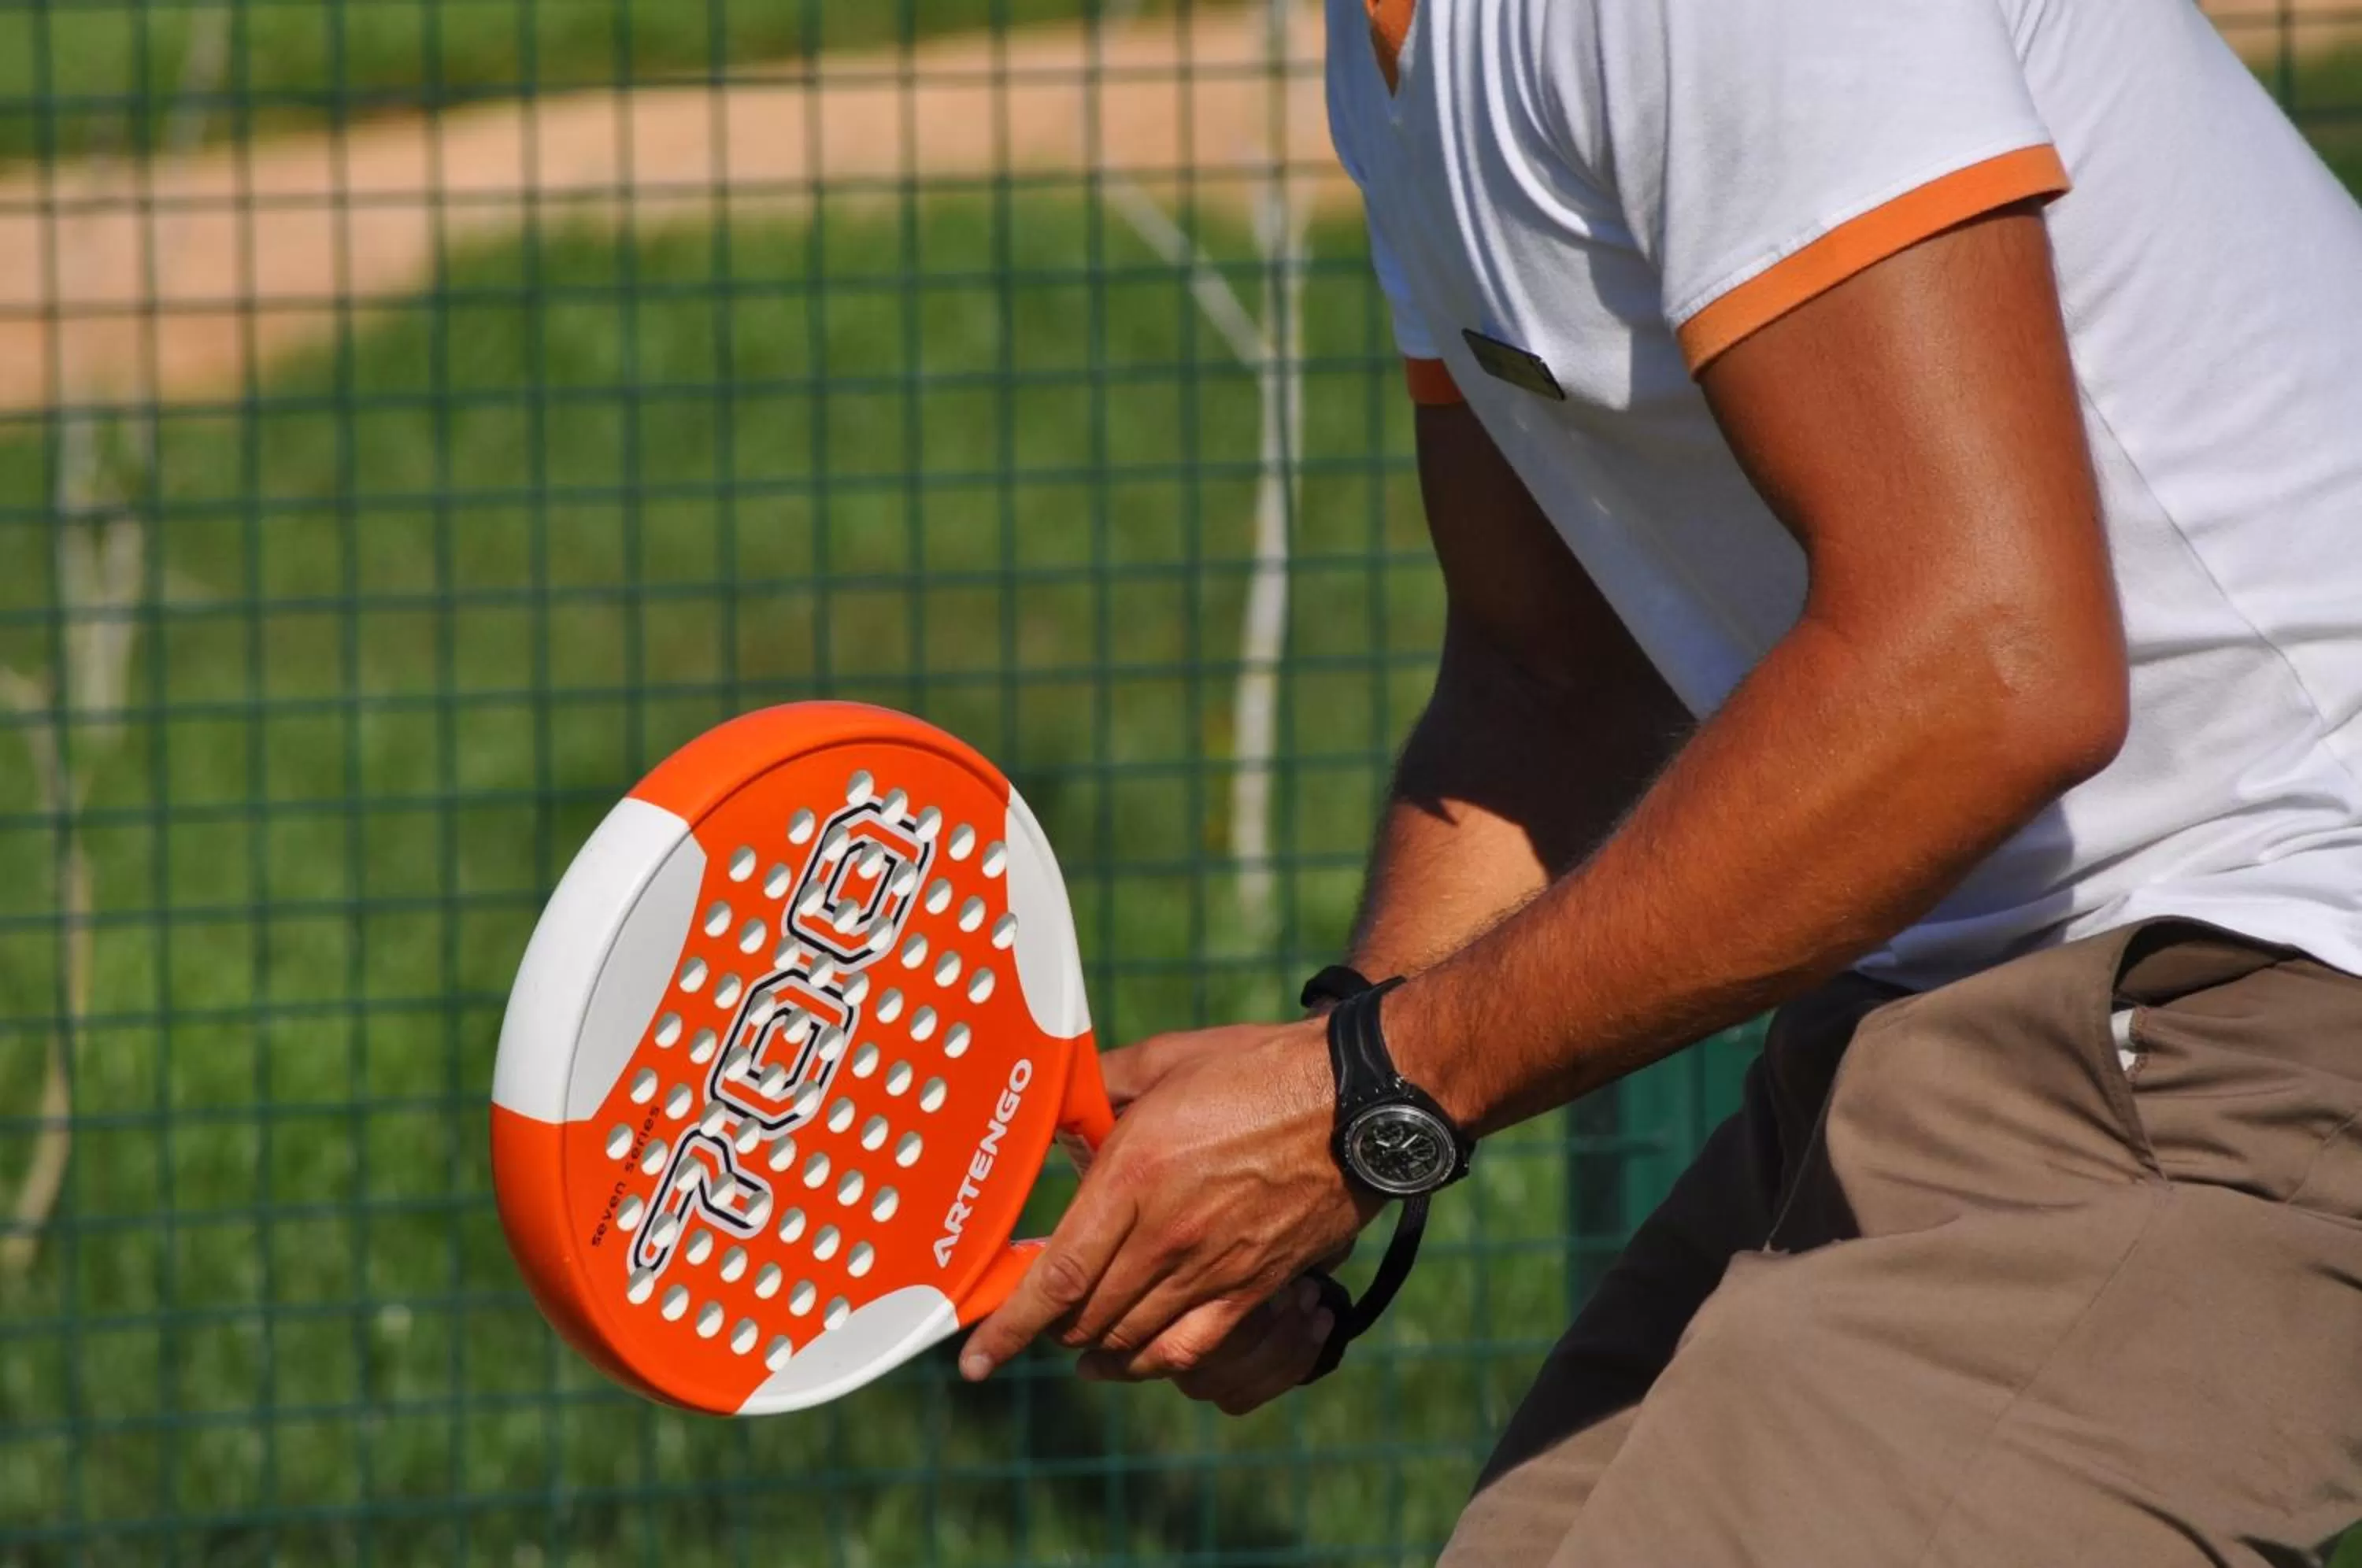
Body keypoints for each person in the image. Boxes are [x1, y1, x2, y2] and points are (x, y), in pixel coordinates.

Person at [957, 0, 2362, 1558]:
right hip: (1965, 1008)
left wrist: (1367, 1101)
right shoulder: (1397, 64)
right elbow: (1546, 670)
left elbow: (1991, 663)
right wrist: (1333, 1078)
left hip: (2271, 963)